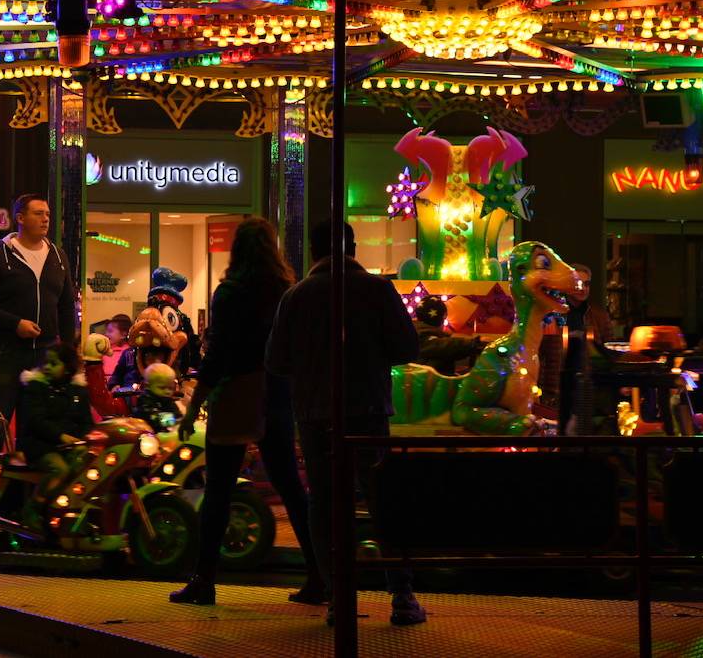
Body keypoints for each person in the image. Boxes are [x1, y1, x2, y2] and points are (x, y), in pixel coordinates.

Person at [265, 220, 426, 626]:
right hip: (369, 410)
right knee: (381, 499)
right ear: (353, 247)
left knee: (324, 504)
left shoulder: (296, 296)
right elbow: (408, 346)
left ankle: (340, 599)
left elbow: (276, 361)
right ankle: (402, 596)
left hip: (314, 413)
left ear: (313, 250)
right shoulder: (378, 290)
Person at [171, 217, 323, 607]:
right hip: (276, 391)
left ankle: (204, 580)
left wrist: (195, 407)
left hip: (237, 391)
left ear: (237, 249)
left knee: (218, 488)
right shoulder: (287, 291)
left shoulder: (231, 292)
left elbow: (218, 355)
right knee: (291, 486)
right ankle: (318, 575)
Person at [0, 194, 78, 422]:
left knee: (39, 423)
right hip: (7, 354)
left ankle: (29, 459)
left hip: (46, 356)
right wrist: (14, 323)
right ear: (20, 218)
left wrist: (69, 351)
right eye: (38, 213)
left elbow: (67, 305)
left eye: (47, 214)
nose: (45, 219)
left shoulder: (58, 256)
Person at [16, 343, 92, 504]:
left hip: (69, 445)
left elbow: (86, 421)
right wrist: (61, 436)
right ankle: (36, 507)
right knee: (60, 469)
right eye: (46, 363)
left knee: (87, 466)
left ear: (67, 368)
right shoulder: (36, 387)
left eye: (53, 363)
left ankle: (73, 507)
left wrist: (82, 440)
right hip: (40, 444)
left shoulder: (78, 391)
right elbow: (36, 421)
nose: (47, 367)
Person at [561, 263, 613, 435]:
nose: (583, 288)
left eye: (587, 284)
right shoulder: (554, 312)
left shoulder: (599, 315)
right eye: (578, 283)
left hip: (590, 381)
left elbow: (608, 348)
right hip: (561, 379)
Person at [413, 296, 483, 376]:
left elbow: (447, 339)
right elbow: (443, 345)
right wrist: (474, 343)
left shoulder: (414, 331)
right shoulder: (423, 337)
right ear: (443, 317)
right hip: (427, 384)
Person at [134, 363, 180, 433]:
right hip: (145, 435)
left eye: (170, 388)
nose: (167, 391)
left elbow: (177, 414)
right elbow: (154, 417)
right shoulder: (145, 399)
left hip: (162, 434)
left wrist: (182, 418)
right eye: (162, 387)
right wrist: (174, 420)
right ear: (148, 386)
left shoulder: (167, 399)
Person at [101, 314, 131, 380]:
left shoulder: (129, 352)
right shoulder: (103, 351)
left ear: (123, 335)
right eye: (106, 331)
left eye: (110, 331)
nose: (106, 334)